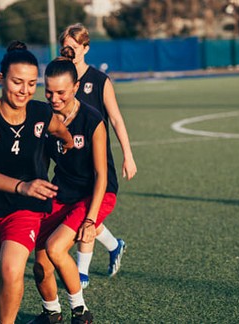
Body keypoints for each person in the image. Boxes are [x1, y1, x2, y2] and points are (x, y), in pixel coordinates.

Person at [0, 41, 73, 324]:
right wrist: (22, 185)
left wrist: (68, 143)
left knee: (11, 271)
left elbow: (60, 128)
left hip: (23, 208)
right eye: (17, 82)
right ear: (1, 79)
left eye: (32, 83)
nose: (24, 90)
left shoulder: (40, 113)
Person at [29, 47, 111, 324]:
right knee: (40, 260)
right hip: (61, 191)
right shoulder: (43, 117)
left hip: (95, 193)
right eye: (49, 92)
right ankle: (51, 313)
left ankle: (81, 312)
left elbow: (102, 175)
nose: (54, 98)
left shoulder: (92, 120)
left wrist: (90, 220)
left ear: (76, 87)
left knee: (55, 248)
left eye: (61, 92)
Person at [59, 23, 137, 288]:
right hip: (70, 164)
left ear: (85, 48)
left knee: (87, 215)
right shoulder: (62, 80)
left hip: (96, 162)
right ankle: (115, 246)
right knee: (79, 213)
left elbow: (115, 118)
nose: (70, 52)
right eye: (65, 47)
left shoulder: (99, 81)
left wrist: (128, 155)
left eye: (74, 48)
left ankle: (81, 275)